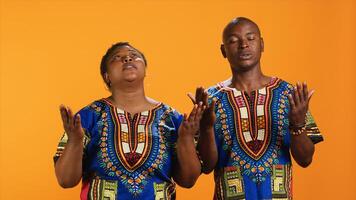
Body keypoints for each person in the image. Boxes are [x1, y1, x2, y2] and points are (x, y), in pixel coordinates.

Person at [190, 17, 324, 200]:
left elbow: (306, 159)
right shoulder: (210, 100)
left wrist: (298, 125)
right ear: (223, 50)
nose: (243, 45)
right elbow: (206, 166)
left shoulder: (289, 95)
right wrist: (205, 128)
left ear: (261, 45)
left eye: (250, 38)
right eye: (233, 40)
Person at [54, 42, 203, 200]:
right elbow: (65, 180)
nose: (127, 59)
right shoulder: (87, 117)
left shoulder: (172, 118)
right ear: (107, 76)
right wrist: (75, 141)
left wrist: (186, 138)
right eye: (117, 58)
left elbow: (188, 180)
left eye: (134, 56)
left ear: (145, 69)